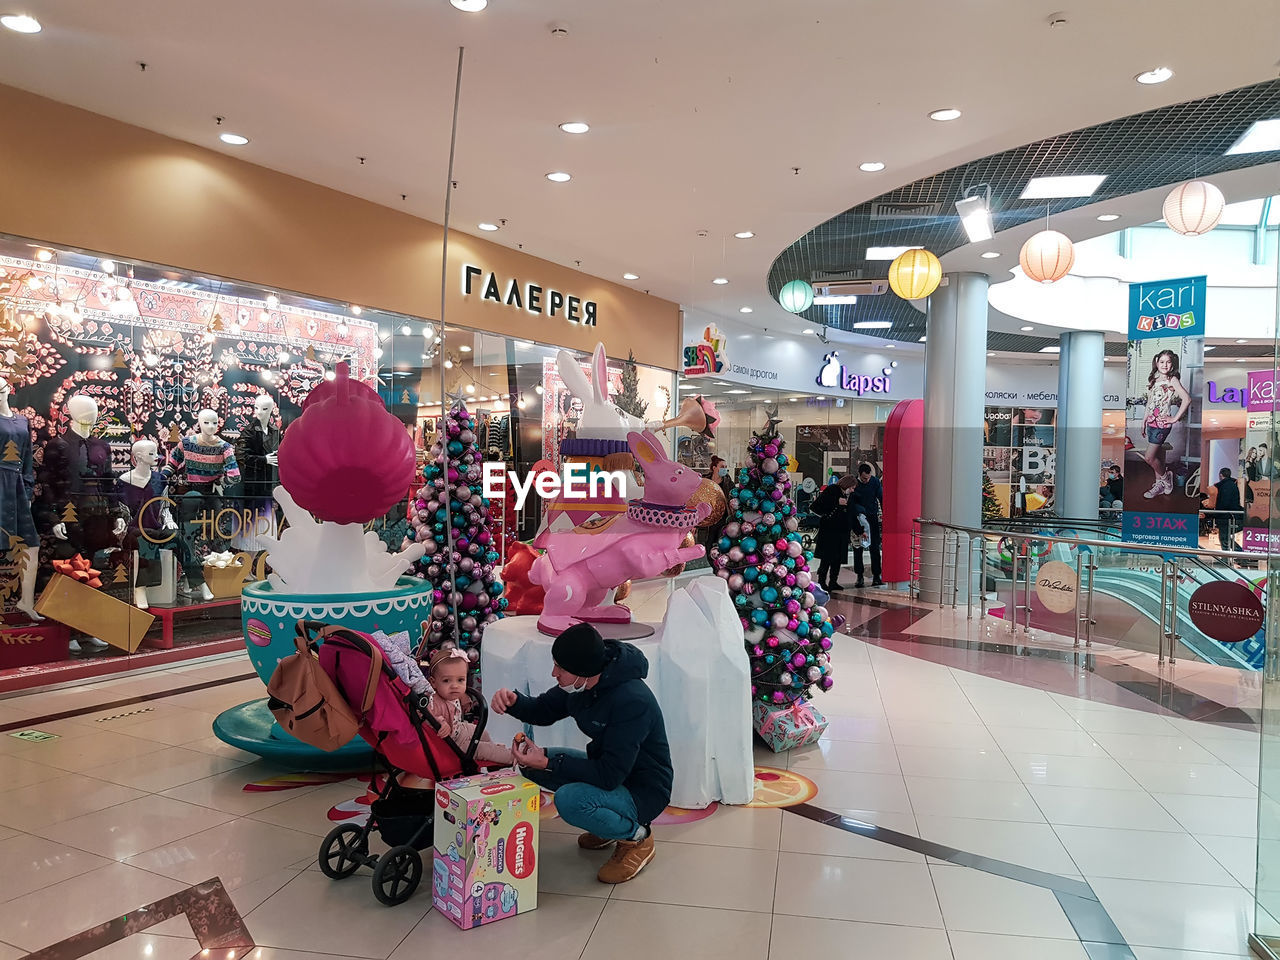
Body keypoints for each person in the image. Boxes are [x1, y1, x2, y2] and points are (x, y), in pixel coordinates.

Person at [490, 623, 673, 884]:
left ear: (584, 670)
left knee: (569, 800)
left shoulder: (632, 700)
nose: (554, 673)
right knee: (534, 767)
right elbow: (543, 709)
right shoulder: (581, 684)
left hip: (642, 789)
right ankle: (609, 824)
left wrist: (548, 761)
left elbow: (609, 776)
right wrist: (513, 702)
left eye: (560, 668)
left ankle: (637, 836)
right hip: (611, 770)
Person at [425, 648, 514, 766]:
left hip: (460, 730)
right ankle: (512, 757)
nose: (455, 686)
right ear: (433, 682)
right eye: (446, 680)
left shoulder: (451, 693)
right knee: (482, 749)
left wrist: (463, 697)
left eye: (460, 680)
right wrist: (440, 722)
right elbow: (425, 714)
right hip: (452, 744)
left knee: (483, 733)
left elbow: (458, 694)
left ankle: (493, 760)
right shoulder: (434, 701)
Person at [1140, 349, 1191, 499]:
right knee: (1157, 456)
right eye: (1162, 361)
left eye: (1168, 362)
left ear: (1172, 364)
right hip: (1151, 422)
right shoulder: (1154, 381)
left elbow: (1186, 399)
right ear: (1156, 362)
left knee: (1149, 457)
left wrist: (1174, 419)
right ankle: (1160, 484)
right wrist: (1143, 421)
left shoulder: (1172, 379)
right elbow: (1150, 403)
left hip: (1162, 424)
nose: (1165, 365)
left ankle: (1165, 479)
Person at [811, 474, 855, 591]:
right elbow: (816, 506)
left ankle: (833, 581)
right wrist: (836, 502)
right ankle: (822, 581)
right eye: (851, 487)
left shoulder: (848, 496)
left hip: (841, 532)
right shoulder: (832, 490)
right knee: (827, 558)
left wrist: (858, 529)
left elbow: (850, 514)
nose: (852, 490)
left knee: (837, 559)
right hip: (830, 531)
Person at [850, 462, 884, 587]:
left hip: (872, 517)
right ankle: (859, 576)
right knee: (858, 547)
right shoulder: (854, 484)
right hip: (859, 518)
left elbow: (881, 497)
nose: (866, 481)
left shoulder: (874, 482)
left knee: (874, 547)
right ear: (859, 475)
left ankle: (876, 575)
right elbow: (851, 501)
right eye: (864, 478)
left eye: (868, 478)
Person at [1214, 467, 1243, 552]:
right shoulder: (1232, 485)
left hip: (1226, 516)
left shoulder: (1225, 486)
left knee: (1224, 538)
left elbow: (1224, 503)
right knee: (1225, 537)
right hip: (1230, 515)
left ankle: (1237, 555)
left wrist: (1216, 514)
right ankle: (1238, 556)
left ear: (1220, 475)